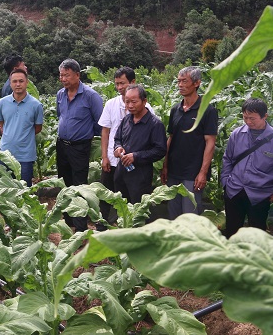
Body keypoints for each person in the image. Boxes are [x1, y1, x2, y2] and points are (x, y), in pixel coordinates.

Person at [97, 68, 153, 227]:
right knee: (106, 196)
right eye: (117, 84)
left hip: (135, 164)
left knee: (132, 199)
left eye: (123, 83)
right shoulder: (111, 104)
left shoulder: (148, 111)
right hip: (113, 160)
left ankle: (130, 229)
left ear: (133, 82)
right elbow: (105, 131)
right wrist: (105, 157)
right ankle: (102, 228)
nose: (120, 87)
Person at [160, 66, 218, 218]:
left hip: (193, 173)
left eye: (184, 81)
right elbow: (171, 138)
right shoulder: (175, 109)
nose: (180, 85)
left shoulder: (207, 110)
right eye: (178, 81)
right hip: (174, 171)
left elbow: (210, 142)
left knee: (190, 214)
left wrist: (203, 172)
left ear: (197, 83)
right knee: (173, 213)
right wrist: (165, 166)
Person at [56, 58, 103, 231]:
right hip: (62, 145)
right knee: (64, 183)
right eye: (61, 75)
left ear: (77, 75)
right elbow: (59, 115)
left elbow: (100, 124)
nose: (63, 79)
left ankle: (80, 226)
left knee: (79, 185)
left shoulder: (91, 96)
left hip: (80, 147)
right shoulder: (60, 94)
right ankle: (68, 222)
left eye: (66, 75)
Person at [220, 98, 273, 238]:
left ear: (265, 116)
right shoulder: (237, 134)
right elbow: (227, 159)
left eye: (252, 119)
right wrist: (225, 183)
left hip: (259, 193)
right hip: (234, 190)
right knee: (232, 231)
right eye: (245, 117)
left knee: (257, 233)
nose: (248, 122)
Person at [113, 85, 167, 204]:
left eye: (134, 102)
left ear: (144, 101)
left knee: (139, 212)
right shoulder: (126, 120)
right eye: (127, 102)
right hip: (121, 173)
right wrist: (118, 148)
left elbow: (160, 150)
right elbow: (117, 139)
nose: (130, 105)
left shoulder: (155, 124)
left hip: (140, 176)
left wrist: (136, 156)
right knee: (122, 209)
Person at [0, 68, 43, 187]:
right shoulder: (2, 103)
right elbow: (2, 124)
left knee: (24, 191)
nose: (18, 84)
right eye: (14, 81)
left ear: (27, 82)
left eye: (21, 81)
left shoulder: (36, 105)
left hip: (25, 156)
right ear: (10, 83)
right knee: (5, 191)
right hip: (5, 153)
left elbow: (38, 128)